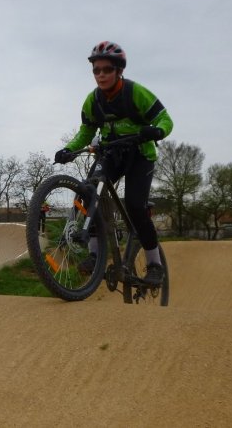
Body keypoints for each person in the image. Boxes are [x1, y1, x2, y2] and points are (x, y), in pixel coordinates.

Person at [54, 41, 173, 285]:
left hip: (140, 154)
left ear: (119, 71)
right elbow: (85, 133)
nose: (101, 75)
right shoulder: (92, 101)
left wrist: (157, 131)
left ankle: (154, 265)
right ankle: (96, 255)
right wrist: (69, 149)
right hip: (111, 153)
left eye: (106, 70)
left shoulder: (135, 92)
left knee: (135, 207)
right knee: (90, 192)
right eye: (96, 70)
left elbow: (165, 118)